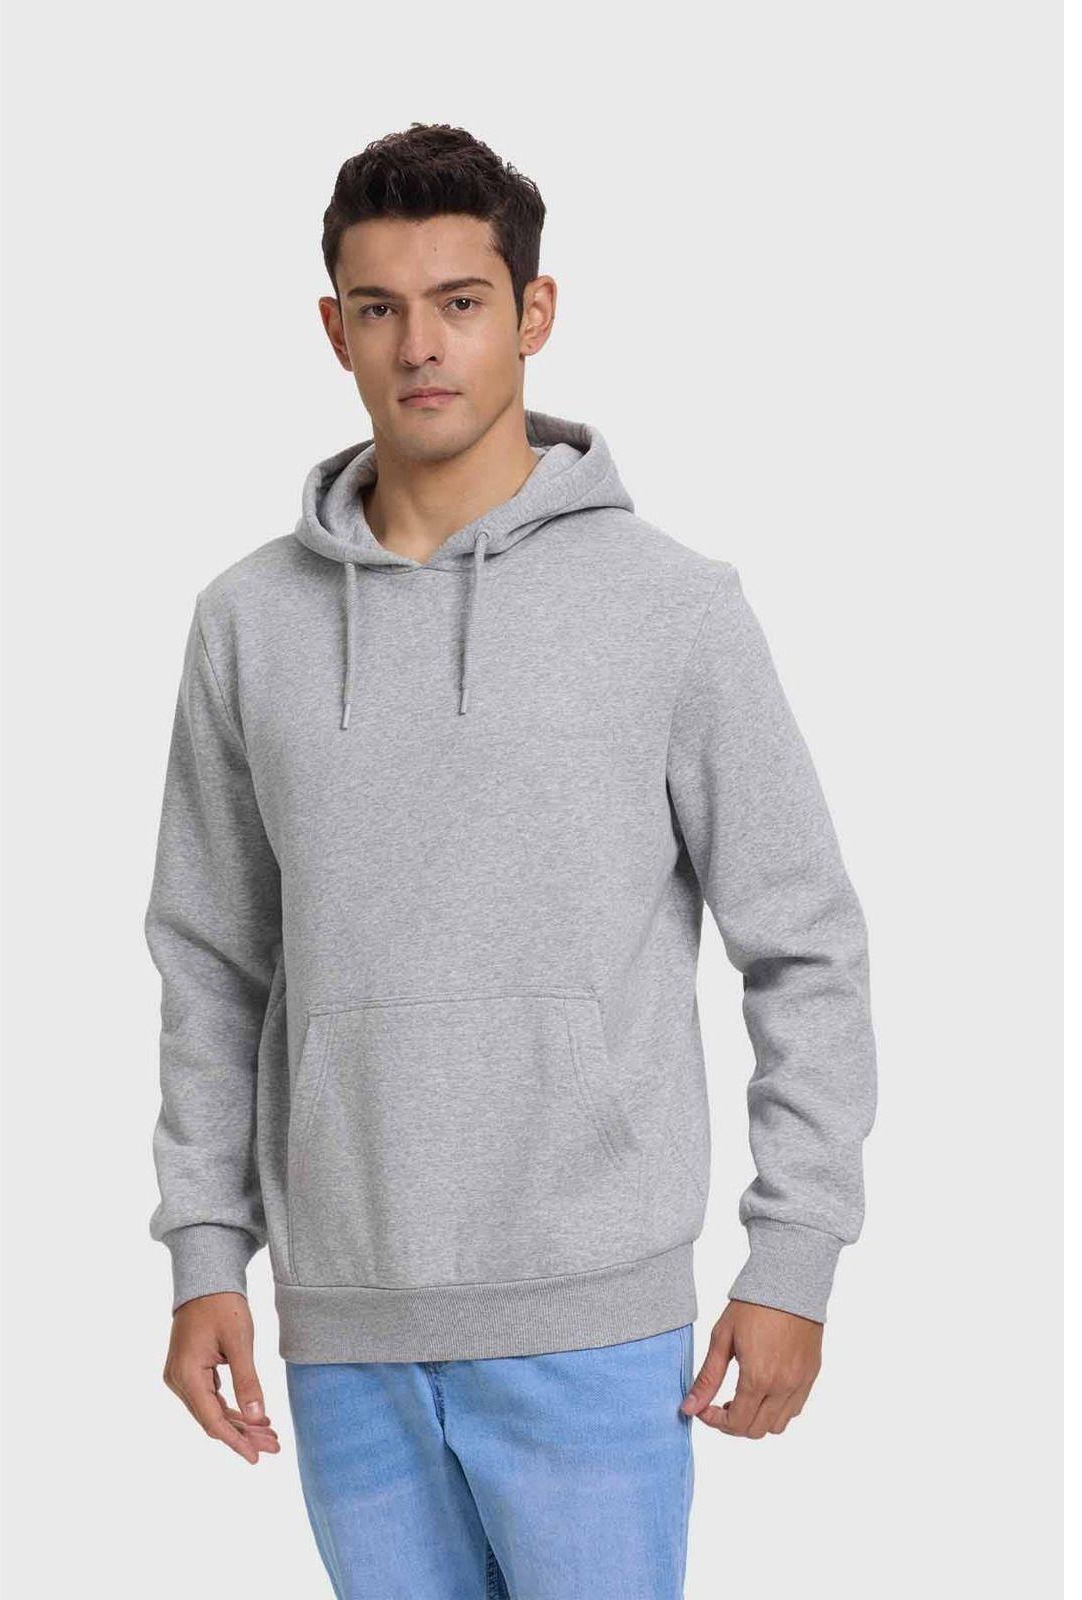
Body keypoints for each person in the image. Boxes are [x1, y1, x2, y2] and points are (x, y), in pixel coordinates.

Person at [145, 121, 878, 1600]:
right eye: (380, 307)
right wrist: (207, 1252)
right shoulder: (248, 623)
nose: (421, 345)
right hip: (345, 1328)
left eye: (461, 302)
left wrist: (794, 1253)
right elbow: (213, 964)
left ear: (534, 314)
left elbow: (804, 944)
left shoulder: (672, 609)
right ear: (334, 329)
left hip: (594, 1324)